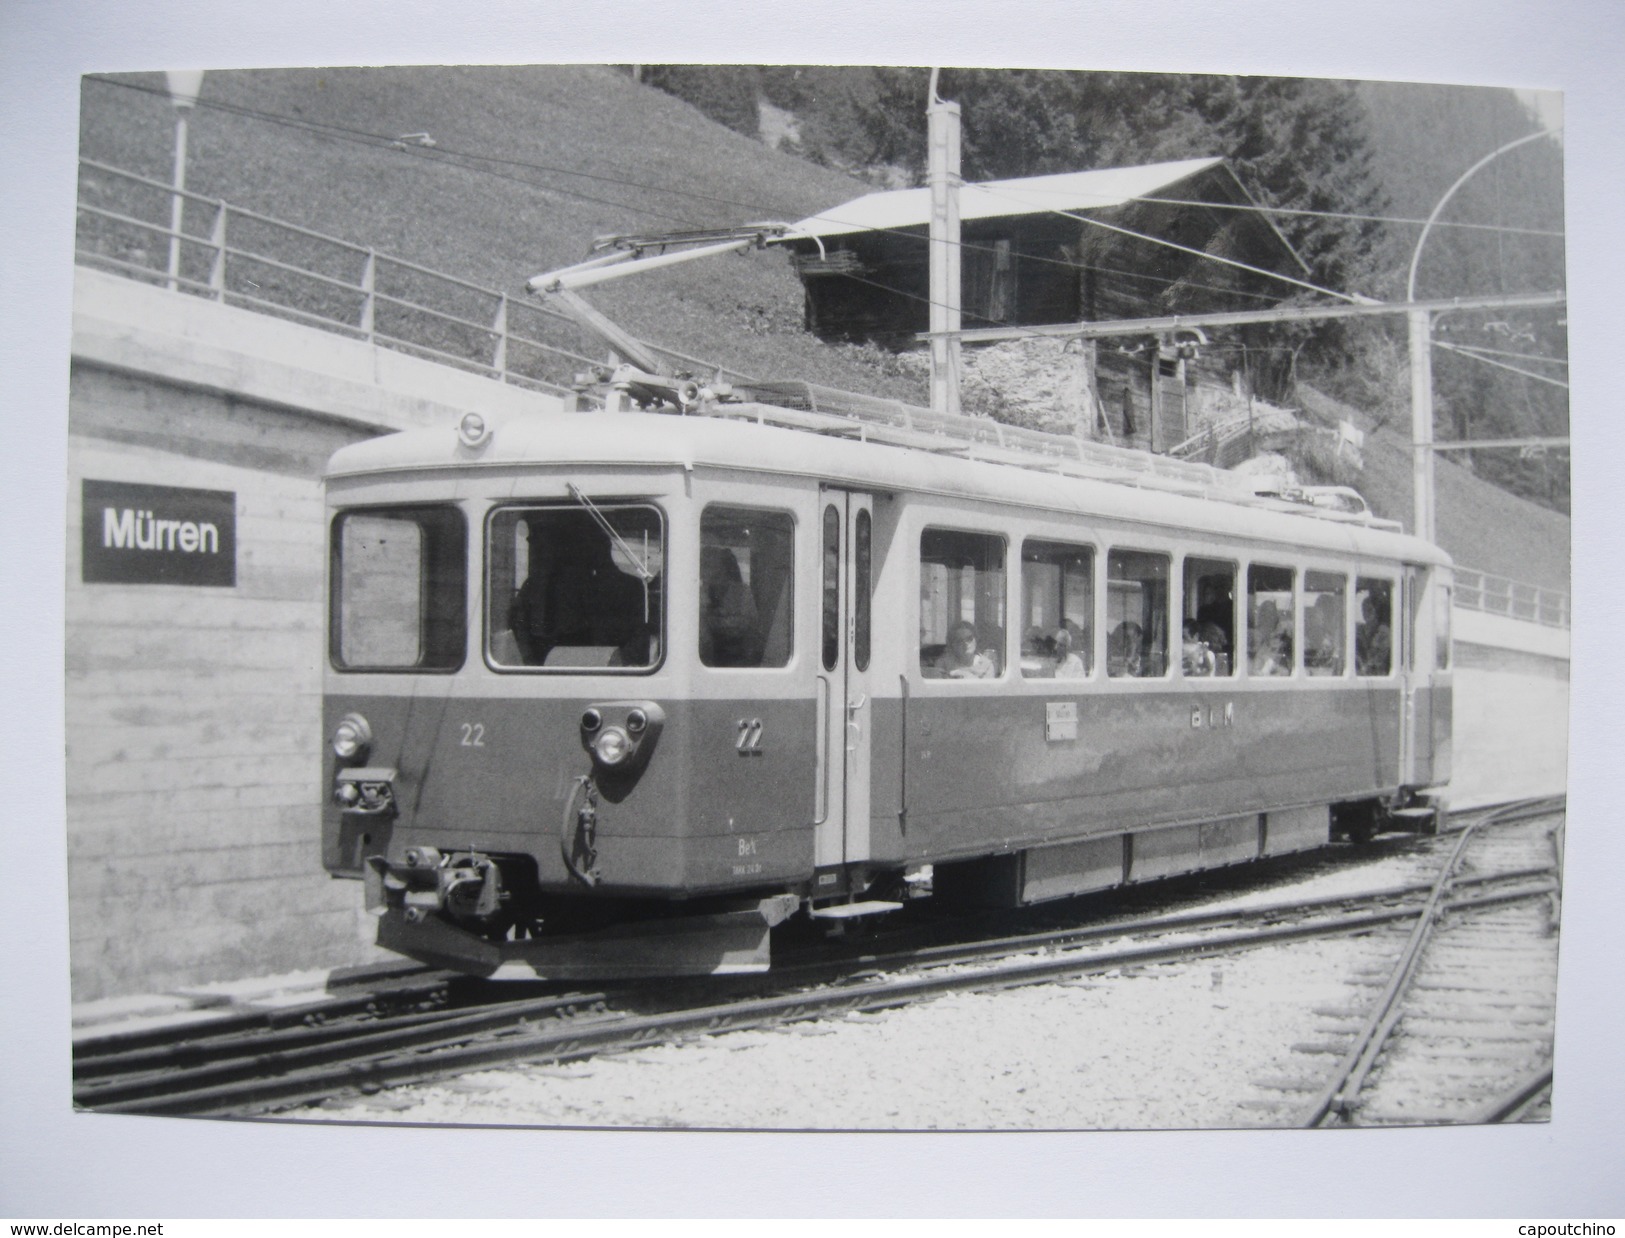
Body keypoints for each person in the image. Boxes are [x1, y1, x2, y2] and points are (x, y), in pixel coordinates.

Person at [700, 545, 760, 667]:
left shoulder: (742, 593)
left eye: (710, 565)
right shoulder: (696, 595)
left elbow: (751, 629)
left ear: (724, 569)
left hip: (738, 661)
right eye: (703, 566)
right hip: (704, 660)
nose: (705, 572)